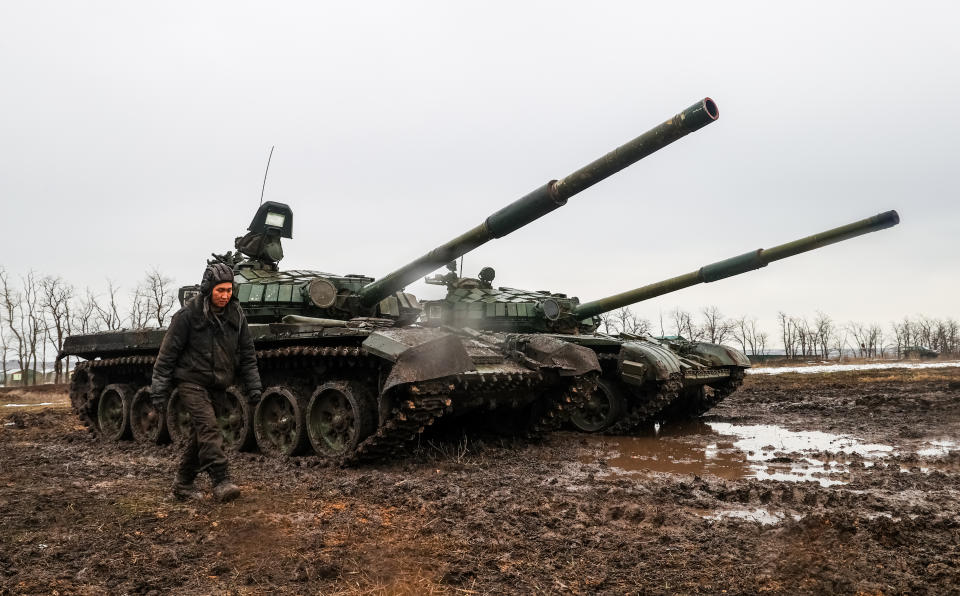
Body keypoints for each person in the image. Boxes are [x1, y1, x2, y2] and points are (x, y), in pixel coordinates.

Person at [150, 262, 262, 502]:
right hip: (191, 381)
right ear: (208, 289)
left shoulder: (236, 315)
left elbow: (247, 352)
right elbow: (167, 354)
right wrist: (158, 390)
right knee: (210, 429)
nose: (224, 295)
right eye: (220, 290)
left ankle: (183, 484)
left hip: (219, 384)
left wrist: (254, 386)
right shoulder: (188, 315)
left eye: (228, 290)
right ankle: (221, 480)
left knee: (200, 435)